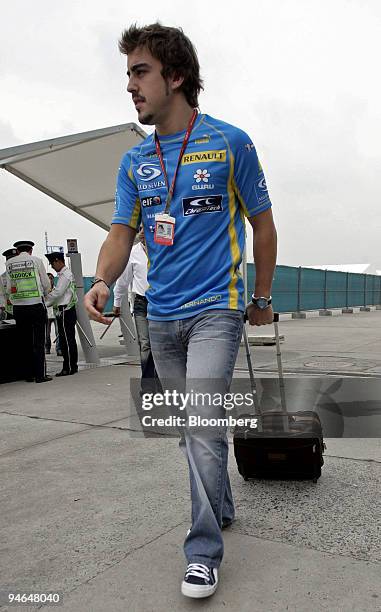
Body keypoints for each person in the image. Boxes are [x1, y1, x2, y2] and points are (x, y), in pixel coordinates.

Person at [84, 23, 277, 599]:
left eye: (139, 72)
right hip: (159, 317)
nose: (130, 86)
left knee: (199, 421)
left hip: (216, 309)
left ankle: (202, 551)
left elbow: (263, 223)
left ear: (176, 76)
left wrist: (261, 298)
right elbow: (123, 232)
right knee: (194, 428)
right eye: (127, 75)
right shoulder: (135, 161)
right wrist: (100, 281)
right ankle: (220, 500)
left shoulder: (230, 142)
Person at [113, 226, 159, 393]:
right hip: (142, 302)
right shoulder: (133, 252)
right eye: (141, 228)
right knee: (145, 344)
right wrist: (117, 301)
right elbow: (124, 280)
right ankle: (148, 386)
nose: (143, 232)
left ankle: (160, 381)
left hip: (161, 302)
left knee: (160, 345)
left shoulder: (162, 248)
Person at [6, 240, 52, 383]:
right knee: (39, 341)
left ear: (18, 251)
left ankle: (28, 375)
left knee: (24, 341)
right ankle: (40, 375)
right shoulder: (36, 261)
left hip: (18, 308)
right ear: (30, 250)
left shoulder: (9, 264)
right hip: (35, 305)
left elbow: (8, 288)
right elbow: (45, 283)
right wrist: (45, 292)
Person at [45, 252, 78, 376]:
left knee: (66, 341)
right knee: (68, 339)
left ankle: (68, 367)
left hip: (65, 311)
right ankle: (72, 366)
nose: (52, 267)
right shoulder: (65, 274)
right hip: (67, 310)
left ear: (58, 261)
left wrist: (45, 301)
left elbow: (58, 293)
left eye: (52, 263)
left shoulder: (65, 275)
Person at [45, 273, 61, 355]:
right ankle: (47, 347)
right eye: (48, 278)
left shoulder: (56, 289)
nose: (50, 280)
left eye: (51, 278)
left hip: (55, 313)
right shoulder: (43, 291)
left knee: (58, 332)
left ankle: (59, 349)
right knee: (46, 333)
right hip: (47, 313)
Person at [0, 248, 17, 320]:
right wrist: (2, 306)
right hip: (8, 312)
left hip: (24, 309)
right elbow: (1, 294)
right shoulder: (2, 277)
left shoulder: (24, 274)